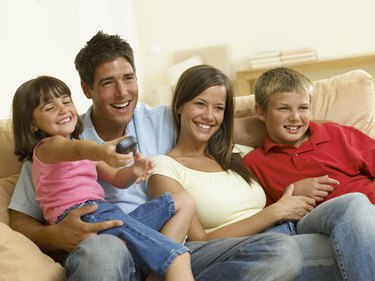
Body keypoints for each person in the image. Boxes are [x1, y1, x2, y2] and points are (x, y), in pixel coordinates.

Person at [9, 31, 303, 281]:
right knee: (105, 250)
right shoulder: (60, 144)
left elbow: (228, 126)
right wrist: (56, 235)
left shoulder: (163, 119)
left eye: (128, 78)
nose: (122, 92)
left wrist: (297, 120)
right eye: (108, 82)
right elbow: (19, 221)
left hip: (173, 242)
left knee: (279, 250)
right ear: (87, 89)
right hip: (110, 246)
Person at [147, 64, 375, 281]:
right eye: (199, 104)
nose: (209, 116)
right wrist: (276, 211)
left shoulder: (235, 154)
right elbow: (199, 240)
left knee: (354, 216)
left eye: (219, 108)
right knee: (290, 249)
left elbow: (291, 126)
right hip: (240, 249)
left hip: (286, 232)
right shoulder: (165, 166)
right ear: (178, 105)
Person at [11, 75, 195, 281]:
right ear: (33, 123)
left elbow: (117, 178)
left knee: (181, 201)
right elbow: (77, 149)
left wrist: (134, 170)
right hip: (86, 217)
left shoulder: (80, 147)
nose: (63, 109)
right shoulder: (49, 147)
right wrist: (101, 150)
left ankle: (150, 266)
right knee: (177, 257)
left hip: (104, 215)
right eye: (50, 108)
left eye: (66, 101)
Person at [242, 67, 375, 205]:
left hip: (369, 206)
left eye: (303, 108)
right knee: (356, 201)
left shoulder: (337, 133)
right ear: (261, 112)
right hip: (326, 219)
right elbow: (266, 216)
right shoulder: (254, 164)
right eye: (284, 108)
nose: (295, 117)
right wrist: (291, 193)